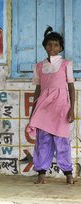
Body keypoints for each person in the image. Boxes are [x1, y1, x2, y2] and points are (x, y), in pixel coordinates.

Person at [26, 26, 76, 184]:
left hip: (61, 107)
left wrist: (72, 109)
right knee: (43, 140)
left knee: (62, 141)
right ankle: (41, 173)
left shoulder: (66, 64)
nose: (52, 48)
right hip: (43, 107)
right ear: (45, 46)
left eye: (56, 45)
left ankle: (68, 174)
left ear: (61, 47)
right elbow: (38, 90)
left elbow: (71, 88)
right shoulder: (39, 66)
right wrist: (33, 111)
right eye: (49, 44)